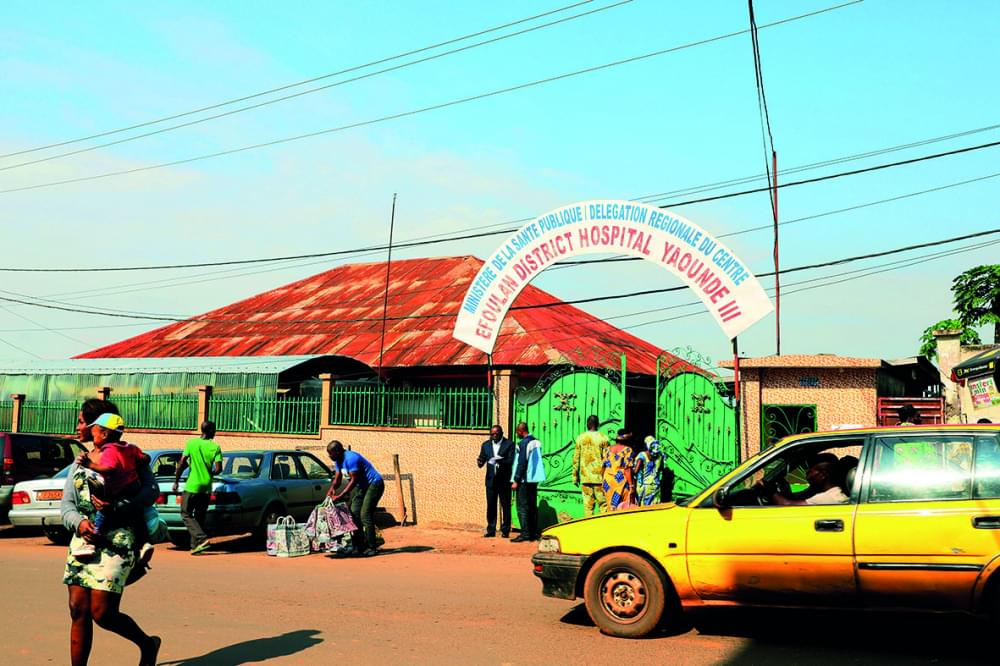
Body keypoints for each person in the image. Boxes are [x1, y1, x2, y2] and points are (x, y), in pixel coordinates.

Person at [61, 398, 160, 666]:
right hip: (84, 540)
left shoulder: (128, 457)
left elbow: (152, 491)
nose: (78, 426)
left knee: (102, 612)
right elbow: (67, 505)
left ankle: (147, 643)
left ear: (98, 425)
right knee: (77, 610)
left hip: (118, 538)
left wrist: (117, 506)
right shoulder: (80, 462)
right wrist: (80, 524)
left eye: (82, 421)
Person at [71, 413, 149, 559]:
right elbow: (145, 457)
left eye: (94, 432)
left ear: (105, 434)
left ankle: (91, 543)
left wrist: (90, 465)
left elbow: (110, 469)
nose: (92, 435)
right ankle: (144, 543)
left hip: (118, 490)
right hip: (132, 486)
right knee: (138, 516)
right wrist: (141, 460)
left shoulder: (110, 450)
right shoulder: (129, 447)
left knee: (102, 513)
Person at [172, 420, 223, 555]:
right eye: (215, 430)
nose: (215, 433)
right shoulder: (215, 447)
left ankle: (201, 539)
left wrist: (176, 481)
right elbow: (218, 469)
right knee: (200, 516)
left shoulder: (191, 443)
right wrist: (208, 473)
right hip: (206, 486)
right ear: (211, 431)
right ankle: (195, 546)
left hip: (192, 485)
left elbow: (182, 462)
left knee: (185, 513)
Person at [327, 441, 385, 556]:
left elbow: (353, 481)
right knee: (353, 513)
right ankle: (359, 546)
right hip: (362, 487)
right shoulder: (338, 460)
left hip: (374, 484)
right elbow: (337, 478)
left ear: (337, 452)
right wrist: (332, 489)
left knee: (365, 514)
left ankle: (371, 547)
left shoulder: (351, 458)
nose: (330, 456)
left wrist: (340, 495)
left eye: (331, 454)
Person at [477, 424, 515, 538]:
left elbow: (511, 460)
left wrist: (499, 461)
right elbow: (482, 459)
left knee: (505, 506)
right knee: (491, 505)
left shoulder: (509, 444)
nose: (494, 436)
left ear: (502, 434)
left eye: (496, 434)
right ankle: (491, 529)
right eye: (492, 434)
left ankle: (505, 530)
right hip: (491, 480)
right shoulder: (486, 445)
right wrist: (480, 462)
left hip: (504, 480)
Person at [511, 421, 545, 542]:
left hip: (525, 479)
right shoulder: (536, 441)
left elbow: (522, 463)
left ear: (520, 431)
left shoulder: (524, 443)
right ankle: (533, 533)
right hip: (534, 479)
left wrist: (516, 480)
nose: (517, 434)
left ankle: (525, 533)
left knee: (522, 507)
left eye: (517, 432)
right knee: (531, 506)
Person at [572, 415, 608, 516]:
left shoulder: (580, 437)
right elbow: (607, 459)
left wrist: (575, 476)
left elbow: (576, 459)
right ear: (598, 424)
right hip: (600, 478)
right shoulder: (603, 438)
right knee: (603, 506)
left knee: (588, 508)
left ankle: (588, 529)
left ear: (588, 424)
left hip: (585, 478)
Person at [771, 461, 849, 505]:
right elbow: (798, 497)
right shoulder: (836, 493)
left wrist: (770, 491)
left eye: (811, 471)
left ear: (823, 475)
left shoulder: (827, 497)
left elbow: (788, 505)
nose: (807, 474)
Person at [602, 429, 635, 511]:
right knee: (623, 507)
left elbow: (603, 466)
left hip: (608, 481)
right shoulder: (628, 450)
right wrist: (631, 486)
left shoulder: (607, 450)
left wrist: (602, 480)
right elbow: (627, 469)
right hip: (620, 481)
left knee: (611, 507)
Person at [634, 436, 664, 506]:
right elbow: (661, 469)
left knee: (644, 508)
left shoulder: (642, 456)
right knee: (655, 507)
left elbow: (635, 471)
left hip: (644, 487)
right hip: (656, 485)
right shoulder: (660, 455)